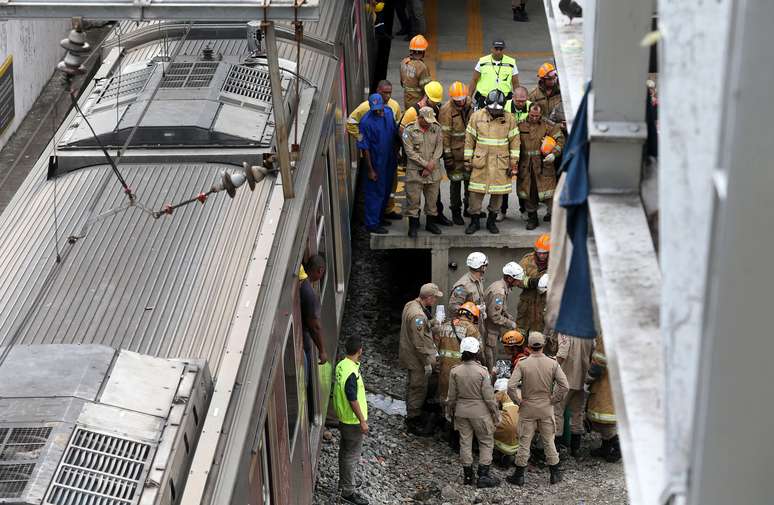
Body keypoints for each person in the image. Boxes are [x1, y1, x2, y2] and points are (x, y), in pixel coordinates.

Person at [507, 331, 569, 486]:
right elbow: (564, 386)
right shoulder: (553, 363)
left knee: (524, 441)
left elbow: (511, 386)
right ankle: (555, 473)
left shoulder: (522, 363)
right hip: (546, 407)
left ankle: (519, 475)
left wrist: (518, 401)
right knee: (549, 440)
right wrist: (554, 399)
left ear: (528, 346)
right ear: (543, 345)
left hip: (528, 407)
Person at [463, 89, 520, 235]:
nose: (494, 113)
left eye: (498, 110)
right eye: (491, 110)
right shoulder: (477, 117)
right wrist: (467, 160)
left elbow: (515, 142)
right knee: (475, 193)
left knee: (497, 194)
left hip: (501, 163)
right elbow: (469, 140)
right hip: (480, 162)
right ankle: (474, 221)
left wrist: (513, 163)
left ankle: (491, 221)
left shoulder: (510, 119)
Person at [447, 336, 501, 488]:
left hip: (461, 412)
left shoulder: (455, 371)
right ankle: (483, 476)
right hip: (480, 413)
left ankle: (468, 476)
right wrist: (496, 414)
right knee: (486, 441)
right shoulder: (482, 372)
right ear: (477, 351)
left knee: (465, 442)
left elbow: (451, 396)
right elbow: (489, 398)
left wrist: (449, 411)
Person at [347, 80, 403, 222]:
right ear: (378, 90)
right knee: (375, 190)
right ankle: (373, 220)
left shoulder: (392, 109)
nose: (388, 96)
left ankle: (385, 211)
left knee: (389, 186)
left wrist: (398, 150)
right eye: (385, 93)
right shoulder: (366, 114)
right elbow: (351, 123)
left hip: (389, 156)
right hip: (375, 157)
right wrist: (361, 138)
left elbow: (396, 130)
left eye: (390, 93)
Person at [400, 81, 453, 227]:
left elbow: (438, 134)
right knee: (414, 195)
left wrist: (431, 163)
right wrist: (418, 159)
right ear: (426, 97)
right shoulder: (412, 112)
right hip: (416, 160)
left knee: (434, 193)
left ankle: (435, 217)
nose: (435, 104)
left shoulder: (435, 109)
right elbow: (402, 131)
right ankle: (415, 223)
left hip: (432, 160)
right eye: (433, 101)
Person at [399, 282, 443, 436]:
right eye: (435, 298)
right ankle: (413, 420)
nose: (436, 301)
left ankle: (412, 413)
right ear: (429, 298)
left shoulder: (411, 305)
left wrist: (429, 323)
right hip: (416, 358)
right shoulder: (418, 315)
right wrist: (426, 363)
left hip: (409, 354)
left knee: (413, 385)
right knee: (418, 387)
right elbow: (418, 343)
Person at [437, 302, 481, 445]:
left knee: (446, 399)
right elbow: (476, 351)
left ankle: (445, 428)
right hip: (462, 372)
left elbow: (436, 347)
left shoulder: (445, 325)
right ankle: (456, 437)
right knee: (460, 403)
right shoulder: (472, 329)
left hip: (444, 371)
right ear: (472, 316)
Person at [333, 337, 370, 505]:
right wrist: (362, 420)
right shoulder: (352, 372)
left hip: (343, 417)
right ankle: (348, 492)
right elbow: (352, 398)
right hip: (352, 420)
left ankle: (345, 483)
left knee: (345, 452)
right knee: (351, 456)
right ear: (360, 350)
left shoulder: (342, 365)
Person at [356, 94, 399, 234]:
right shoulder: (365, 123)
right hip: (376, 162)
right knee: (375, 192)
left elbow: (394, 133)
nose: (378, 111)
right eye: (375, 109)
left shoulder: (389, 113)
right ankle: (372, 223)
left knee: (386, 189)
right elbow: (364, 148)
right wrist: (370, 170)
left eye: (379, 108)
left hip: (389, 159)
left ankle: (380, 217)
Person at [517, 103, 564, 229]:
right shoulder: (520, 125)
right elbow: (513, 143)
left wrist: (554, 154)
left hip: (544, 165)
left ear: (541, 114)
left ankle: (556, 219)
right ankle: (532, 219)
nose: (534, 118)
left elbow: (560, 139)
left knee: (549, 194)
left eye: (537, 116)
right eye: (532, 115)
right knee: (529, 193)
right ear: (528, 112)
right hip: (526, 166)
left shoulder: (548, 125)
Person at [402, 106, 444, 237]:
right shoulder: (409, 130)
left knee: (432, 199)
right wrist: (426, 165)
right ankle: (413, 225)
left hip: (433, 171)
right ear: (419, 118)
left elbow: (439, 147)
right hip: (415, 172)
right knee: (413, 200)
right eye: (426, 120)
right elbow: (410, 152)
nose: (429, 123)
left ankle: (430, 223)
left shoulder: (436, 128)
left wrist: (432, 163)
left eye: (431, 120)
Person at [553, 332, 595, 456]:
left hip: (565, 379)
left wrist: (551, 367)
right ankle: (576, 449)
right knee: (578, 414)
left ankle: (556, 449)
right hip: (583, 380)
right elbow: (594, 354)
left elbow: (562, 353)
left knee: (557, 413)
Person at [439, 81, 473, 225]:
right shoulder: (446, 111)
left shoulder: (470, 105)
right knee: (456, 183)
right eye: (457, 101)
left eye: (462, 100)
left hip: (469, 152)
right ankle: (456, 211)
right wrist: (447, 156)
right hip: (454, 154)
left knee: (470, 183)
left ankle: (469, 208)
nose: (461, 103)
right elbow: (445, 136)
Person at [483, 262, 524, 372]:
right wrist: (511, 324)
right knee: (490, 364)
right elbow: (494, 316)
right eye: (517, 280)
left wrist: (505, 313)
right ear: (510, 279)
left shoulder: (501, 286)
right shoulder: (499, 292)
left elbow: (497, 308)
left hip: (492, 332)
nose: (518, 282)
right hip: (488, 333)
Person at [586, 335, 622, 462]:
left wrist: (588, 379)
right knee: (607, 420)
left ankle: (618, 448)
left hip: (606, 384)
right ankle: (605, 448)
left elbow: (598, 363)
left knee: (604, 420)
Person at [499, 86, 531, 222]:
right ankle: (502, 210)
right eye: (518, 101)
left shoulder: (531, 107)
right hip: (507, 149)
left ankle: (524, 210)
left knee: (523, 181)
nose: (521, 103)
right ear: (513, 98)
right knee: (504, 180)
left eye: (523, 101)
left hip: (524, 150)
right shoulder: (504, 107)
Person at [469, 39, 519, 109]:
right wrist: (469, 97)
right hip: (484, 99)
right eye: (496, 49)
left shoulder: (511, 63)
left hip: (504, 100)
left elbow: (515, 83)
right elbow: (474, 80)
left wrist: (518, 98)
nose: (498, 51)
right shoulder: (482, 61)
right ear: (491, 49)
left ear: (504, 50)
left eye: (501, 49)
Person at [449, 252, 488, 337]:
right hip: (466, 328)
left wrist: (481, 309)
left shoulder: (479, 280)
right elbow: (453, 308)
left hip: (476, 324)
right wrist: (473, 310)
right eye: (485, 265)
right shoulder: (463, 285)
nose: (486, 267)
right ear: (481, 267)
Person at [517, 234, 550, 334]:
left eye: (545, 253)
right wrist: (533, 282)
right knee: (522, 332)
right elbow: (518, 278)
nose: (542, 255)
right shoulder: (527, 260)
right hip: (526, 305)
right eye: (539, 253)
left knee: (541, 336)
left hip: (544, 305)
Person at [300, 255, 328, 368]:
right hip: (304, 340)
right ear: (320, 270)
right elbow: (315, 327)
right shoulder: (309, 293)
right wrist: (322, 351)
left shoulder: (302, 284)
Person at [493, 378, 520, 466]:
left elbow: (491, 408)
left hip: (505, 435)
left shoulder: (500, 394)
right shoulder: (519, 393)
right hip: (520, 439)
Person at [400, 35, 431, 110]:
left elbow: (402, 83)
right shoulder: (422, 67)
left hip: (407, 101)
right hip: (419, 104)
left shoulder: (404, 62)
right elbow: (428, 90)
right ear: (423, 51)